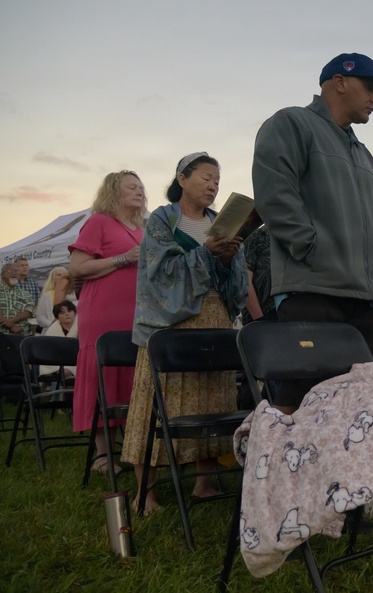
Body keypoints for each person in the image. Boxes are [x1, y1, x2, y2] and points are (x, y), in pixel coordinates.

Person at [252, 53, 373, 408]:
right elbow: (275, 195)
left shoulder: (364, 153)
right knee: (302, 399)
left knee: (358, 404)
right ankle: (271, 462)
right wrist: (311, 250)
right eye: (370, 88)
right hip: (312, 290)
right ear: (340, 81)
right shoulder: (292, 123)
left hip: (363, 298)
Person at [121, 153, 247, 513]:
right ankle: (146, 494)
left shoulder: (218, 222)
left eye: (217, 180)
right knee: (157, 405)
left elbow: (231, 280)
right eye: (206, 177)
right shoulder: (162, 220)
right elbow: (160, 271)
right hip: (172, 325)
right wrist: (205, 252)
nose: (213, 185)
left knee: (210, 398)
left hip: (214, 316)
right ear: (182, 178)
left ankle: (203, 484)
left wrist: (226, 258)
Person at [69, 170, 147, 474]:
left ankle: (131, 449)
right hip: (103, 312)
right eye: (132, 187)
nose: (140, 191)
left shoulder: (142, 228)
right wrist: (124, 259)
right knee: (105, 374)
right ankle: (102, 455)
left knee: (130, 377)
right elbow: (78, 267)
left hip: (137, 314)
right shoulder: (98, 222)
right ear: (114, 192)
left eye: (141, 187)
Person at [0, 263, 34, 335]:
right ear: (2, 275)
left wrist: (11, 321)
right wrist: (11, 325)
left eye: (17, 271)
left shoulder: (25, 294)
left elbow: (29, 311)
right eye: (11, 270)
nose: (14, 273)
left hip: (20, 333)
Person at [241, 225, 276, 324]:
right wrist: (259, 320)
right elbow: (245, 281)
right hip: (261, 318)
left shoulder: (300, 237)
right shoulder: (258, 236)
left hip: (292, 316)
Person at [38, 301, 79, 378]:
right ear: (57, 317)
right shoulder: (52, 330)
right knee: (64, 372)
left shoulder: (81, 326)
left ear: (75, 313)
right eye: (62, 313)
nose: (67, 314)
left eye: (69, 311)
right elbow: (49, 351)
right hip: (55, 362)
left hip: (77, 360)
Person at [35, 267, 78, 332]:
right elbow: (40, 316)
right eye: (59, 275)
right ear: (53, 278)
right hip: (52, 331)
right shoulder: (47, 295)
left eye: (65, 275)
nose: (62, 277)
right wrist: (54, 325)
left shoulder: (77, 295)